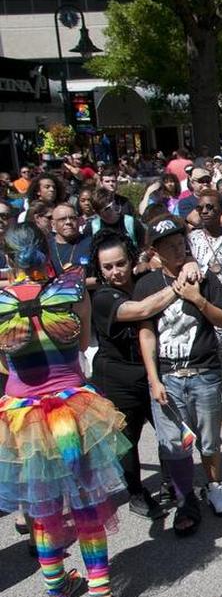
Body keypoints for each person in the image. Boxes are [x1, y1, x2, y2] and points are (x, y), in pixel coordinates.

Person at [0, 224, 130, 597]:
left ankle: (57, 587)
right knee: (88, 499)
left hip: (22, 415)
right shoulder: (72, 292)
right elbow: (83, 343)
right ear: (46, 252)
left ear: (9, 258)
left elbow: (4, 365)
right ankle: (100, 587)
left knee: (42, 505)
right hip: (74, 408)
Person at [90, 230, 198, 520]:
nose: (115, 272)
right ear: (99, 270)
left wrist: (189, 262)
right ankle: (137, 493)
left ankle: (173, 485)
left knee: (172, 435)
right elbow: (143, 309)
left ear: (131, 260)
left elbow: (175, 261)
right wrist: (179, 284)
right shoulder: (102, 297)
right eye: (108, 267)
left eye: (120, 263)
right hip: (117, 381)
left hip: (152, 372)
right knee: (127, 441)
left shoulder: (143, 281)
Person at [136, 217, 222, 530]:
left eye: (182, 245)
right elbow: (146, 333)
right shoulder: (147, 285)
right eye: (171, 247)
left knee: (209, 438)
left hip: (204, 372)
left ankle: (214, 485)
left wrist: (198, 299)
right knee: (173, 444)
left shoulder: (202, 278)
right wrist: (153, 378)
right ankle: (184, 498)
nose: (179, 251)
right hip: (167, 375)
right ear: (156, 251)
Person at [186, 190, 222, 427]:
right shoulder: (191, 238)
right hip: (200, 301)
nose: (205, 212)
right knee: (203, 354)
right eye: (201, 208)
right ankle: (208, 403)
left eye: (210, 207)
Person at [48, 202, 93, 277]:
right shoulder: (46, 247)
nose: (68, 222)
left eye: (72, 218)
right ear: (53, 224)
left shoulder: (91, 244)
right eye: (62, 219)